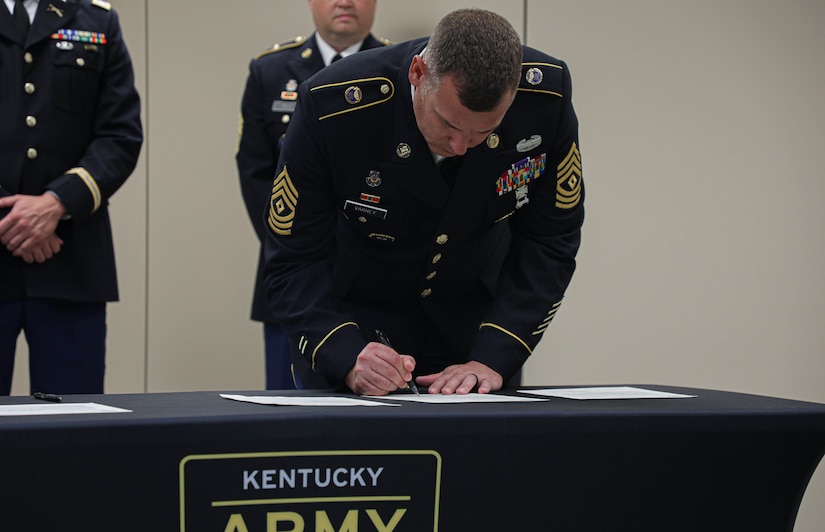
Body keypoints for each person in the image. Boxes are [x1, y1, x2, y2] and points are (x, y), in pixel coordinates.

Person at [262, 8, 584, 396]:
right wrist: (344, 353)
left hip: (474, 329)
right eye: (448, 124)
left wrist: (495, 355)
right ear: (418, 73)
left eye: (485, 131)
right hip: (357, 324)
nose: (461, 147)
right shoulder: (333, 106)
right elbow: (293, 259)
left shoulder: (545, 97)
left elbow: (550, 242)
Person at [236, 0, 386, 390]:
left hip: (376, 272)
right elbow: (255, 173)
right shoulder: (269, 70)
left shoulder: (399, 70)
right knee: (289, 419)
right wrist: (291, 245)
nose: (345, 2)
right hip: (295, 276)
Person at [0, 0, 142, 395]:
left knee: (73, 433)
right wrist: (15, 220)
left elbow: (120, 135)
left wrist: (55, 204)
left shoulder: (96, 20)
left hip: (71, 261)